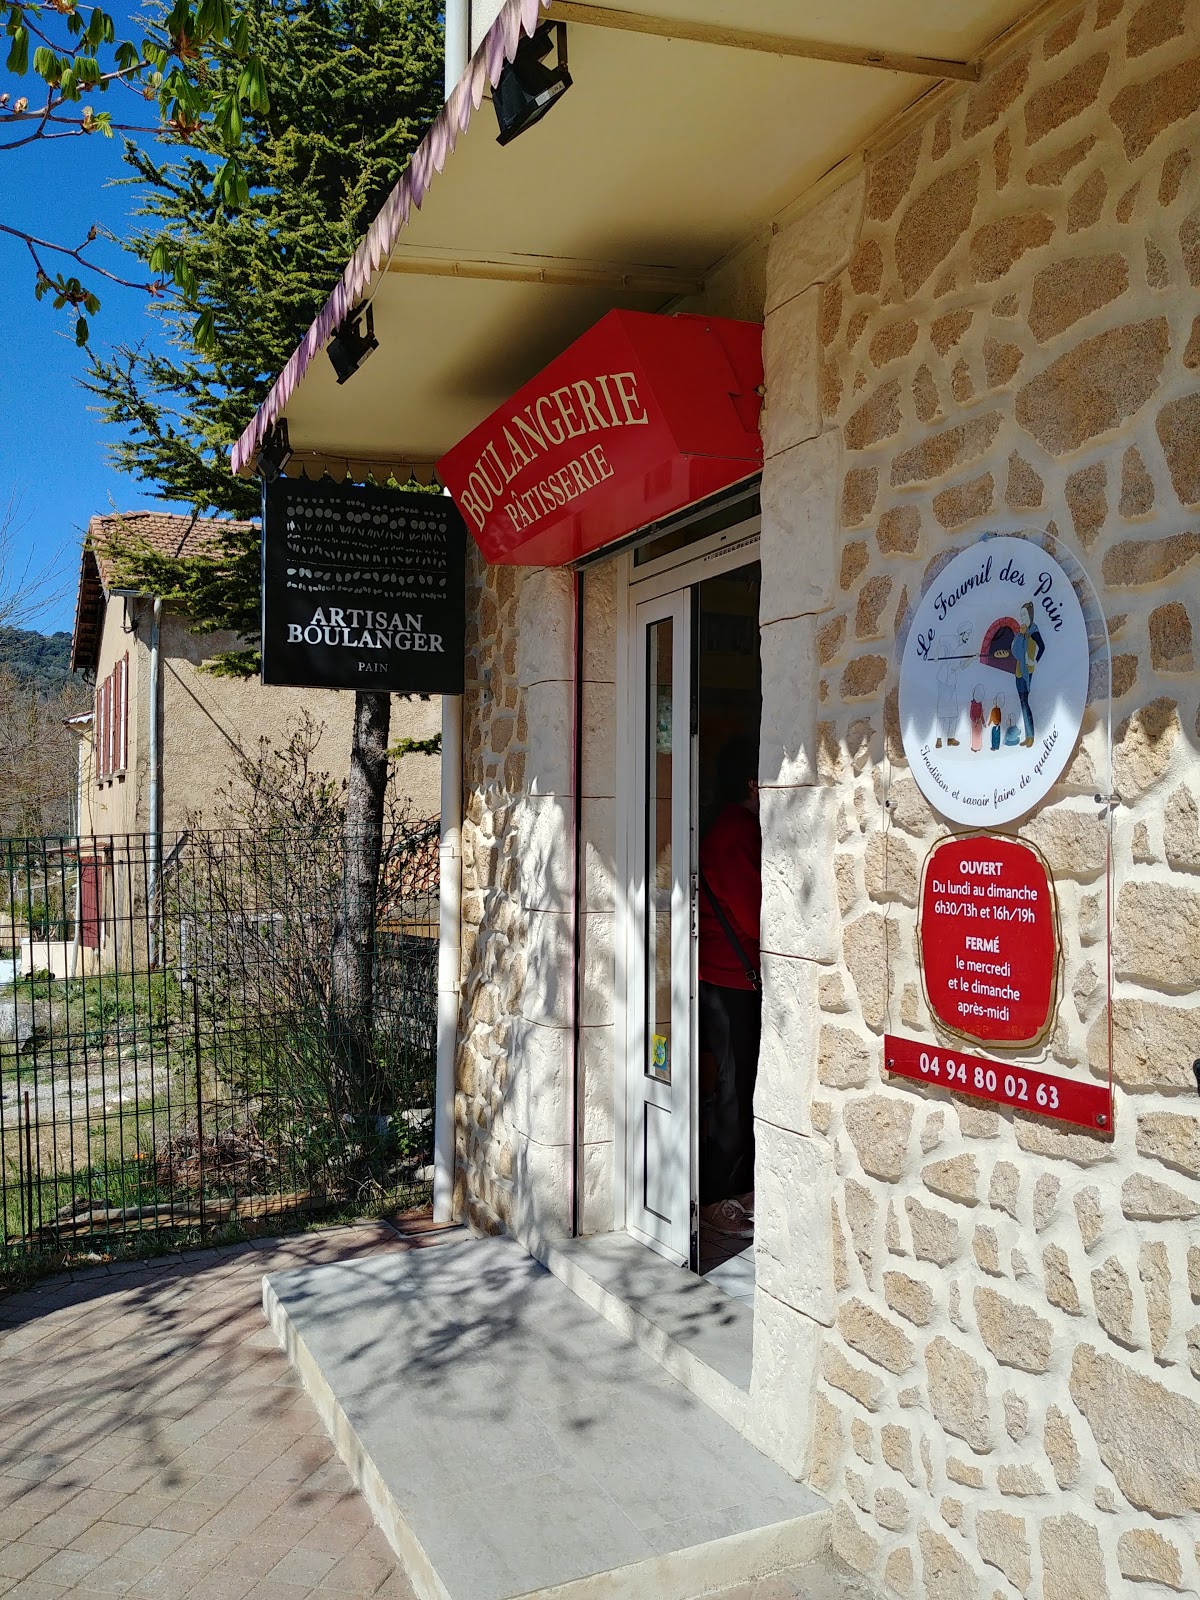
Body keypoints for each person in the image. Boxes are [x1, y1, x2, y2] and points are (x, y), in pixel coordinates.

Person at [697, 734, 761, 1238]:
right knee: (735, 1089)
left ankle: (733, 1190)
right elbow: (754, 913)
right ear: (750, 782)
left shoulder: (725, 828)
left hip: (721, 977)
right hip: (729, 980)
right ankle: (722, 1197)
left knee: (731, 1084)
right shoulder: (736, 831)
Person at [1013, 601, 1046, 747]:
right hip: (1019, 671)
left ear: (1030, 615)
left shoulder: (1033, 630)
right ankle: (1028, 736)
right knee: (1023, 702)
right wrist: (1020, 635)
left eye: (1024, 615)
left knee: (1026, 702)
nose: (1022, 618)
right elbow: (1016, 652)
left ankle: (1031, 735)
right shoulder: (1021, 632)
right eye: (1020, 615)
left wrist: (1035, 661)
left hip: (1028, 672)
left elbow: (1042, 647)